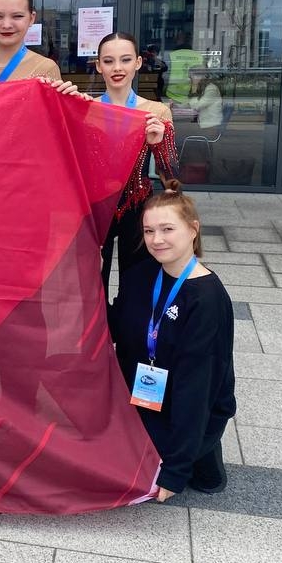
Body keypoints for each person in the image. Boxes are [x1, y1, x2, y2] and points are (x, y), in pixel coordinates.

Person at [108, 180, 235, 501]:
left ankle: (199, 454)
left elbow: (196, 387)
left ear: (193, 230)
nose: (157, 239)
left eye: (167, 229)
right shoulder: (140, 276)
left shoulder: (207, 299)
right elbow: (115, 327)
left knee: (176, 478)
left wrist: (175, 471)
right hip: (142, 396)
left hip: (189, 404)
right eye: (149, 231)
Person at [95, 32, 178, 284]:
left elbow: (172, 178)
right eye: (108, 61)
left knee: (138, 282)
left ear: (138, 63)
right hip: (96, 207)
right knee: (93, 281)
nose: (117, 68)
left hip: (139, 205)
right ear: (98, 66)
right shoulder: (87, 110)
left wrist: (159, 143)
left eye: (125, 60)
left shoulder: (156, 111)